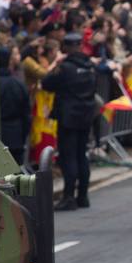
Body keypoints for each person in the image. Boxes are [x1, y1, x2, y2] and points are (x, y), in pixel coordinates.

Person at [41, 32, 108, 211]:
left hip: (69, 118)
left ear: (67, 48)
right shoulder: (89, 66)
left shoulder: (65, 68)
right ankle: (83, 195)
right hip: (86, 116)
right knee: (81, 155)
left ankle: (69, 196)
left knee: (68, 157)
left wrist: (56, 63)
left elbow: (46, 83)